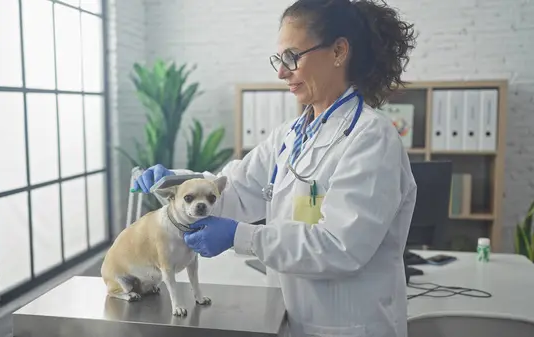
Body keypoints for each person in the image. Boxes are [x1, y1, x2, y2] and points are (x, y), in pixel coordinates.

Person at [133, 0, 418, 336]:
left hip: (350, 324)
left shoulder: (371, 138)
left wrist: (241, 236)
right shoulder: (291, 134)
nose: (282, 72)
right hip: (291, 316)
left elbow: (340, 246)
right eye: (279, 59)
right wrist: (180, 184)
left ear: (339, 51)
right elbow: (234, 190)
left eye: (292, 57)